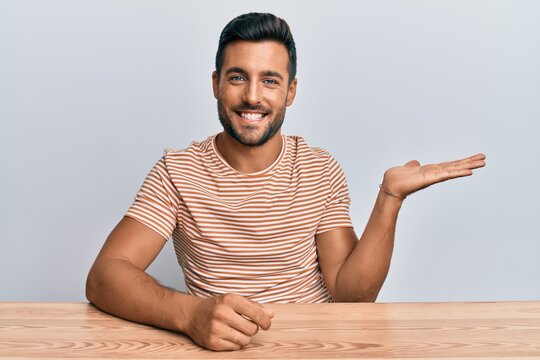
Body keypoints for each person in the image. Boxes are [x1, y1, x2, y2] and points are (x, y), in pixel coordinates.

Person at [86, 12, 486, 351]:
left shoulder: (319, 169)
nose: (253, 97)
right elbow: (105, 275)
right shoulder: (178, 171)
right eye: (238, 77)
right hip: (224, 349)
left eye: (271, 80)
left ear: (291, 91)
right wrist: (190, 315)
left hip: (318, 345)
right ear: (215, 84)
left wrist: (389, 199)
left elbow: (351, 294)